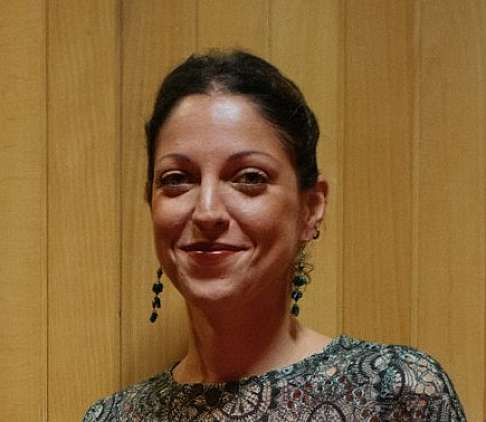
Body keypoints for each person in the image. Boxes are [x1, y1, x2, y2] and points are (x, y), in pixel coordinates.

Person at [83, 50, 466, 421]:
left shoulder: (394, 394)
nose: (207, 211)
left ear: (310, 208)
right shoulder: (112, 418)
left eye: (249, 178)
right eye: (177, 179)